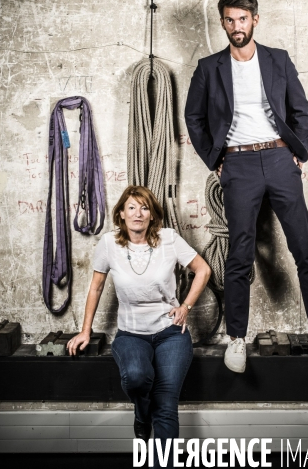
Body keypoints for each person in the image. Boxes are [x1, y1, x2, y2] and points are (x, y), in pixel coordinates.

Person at [184, 0, 308, 374]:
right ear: (222, 22)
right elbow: (194, 118)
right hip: (236, 164)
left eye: (242, 19)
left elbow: (301, 111)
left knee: (303, 245)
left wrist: (295, 152)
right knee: (239, 254)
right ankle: (237, 338)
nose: (236, 27)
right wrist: (215, 160)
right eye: (229, 20)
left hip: (278, 157)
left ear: (255, 19)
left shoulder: (278, 60)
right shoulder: (209, 67)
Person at [67, 185, 211, 465]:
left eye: (144, 208)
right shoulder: (109, 244)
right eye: (131, 207)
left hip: (171, 334)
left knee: (166, 407)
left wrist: (186, 306)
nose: (138, 213)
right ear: (121, 214)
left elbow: (203, 269)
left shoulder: (169, 239)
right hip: (131, 334)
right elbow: (96, 288)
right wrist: (86, 330)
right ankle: (141, 413)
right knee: (136, 377)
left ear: (152, 215)